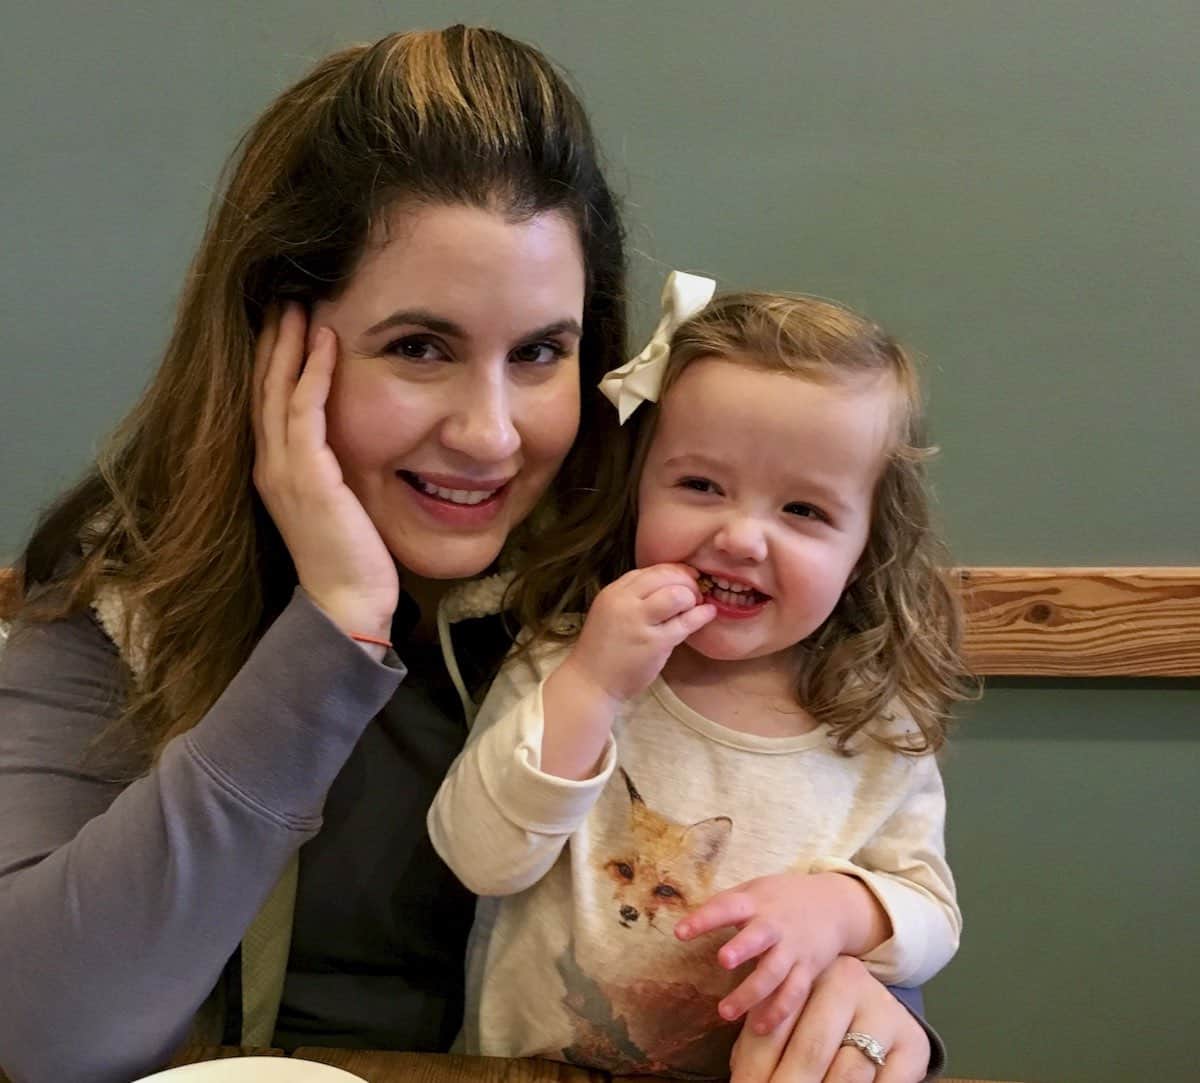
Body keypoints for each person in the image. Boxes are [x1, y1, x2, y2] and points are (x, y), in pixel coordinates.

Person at [0, 26, 941, 1083]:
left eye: (540, 352)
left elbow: (802, 851)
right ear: (274, 346)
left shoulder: (648, 582)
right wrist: (337, 623)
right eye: (418, 348)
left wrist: (869, 990)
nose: (492, 434)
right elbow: (44, 1030)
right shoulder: (123, 592)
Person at [429, 277, 974, 1079]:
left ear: (866, 545)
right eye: (701, 486)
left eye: (804, 511)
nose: (742, 536)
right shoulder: (566, 660)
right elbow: (476, 858)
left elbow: (933, 914)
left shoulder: (873, 721)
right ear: (639, 487)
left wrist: (847, 910)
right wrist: (591, 689)